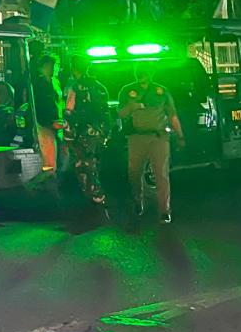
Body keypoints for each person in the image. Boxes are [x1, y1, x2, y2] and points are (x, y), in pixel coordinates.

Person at [118, 66, 184, 223]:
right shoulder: (127, 90)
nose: (142, 74)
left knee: (161, 174)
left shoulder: (161, 91)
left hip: (158, 137)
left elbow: (172, 115)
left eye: (145, 71)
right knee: (134, 172)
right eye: (139, 71)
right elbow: (120, 114)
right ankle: (138, 201)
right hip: (136, 138)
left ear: (151, 73)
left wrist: (180, 135)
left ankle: (164, 210)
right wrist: (131, 106)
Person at [64, 55, 110, 207]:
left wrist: (68, 135)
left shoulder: (75, 87)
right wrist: (105, 133)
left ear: (74, 69)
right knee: (94, 163)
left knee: (83, 165)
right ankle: (95, 194)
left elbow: (69, 111)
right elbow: (106, 112)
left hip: (82, 132)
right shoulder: (100, 87)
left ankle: (96, 195)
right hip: (98, 133)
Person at [31, 55, 64, 173]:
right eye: (51, 66)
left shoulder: (56, 82)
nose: (54, 69)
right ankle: (48, 178)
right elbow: (37, 106)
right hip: (44, 125)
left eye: (55, 66)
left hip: (57, 124)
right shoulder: (38, 84)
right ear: (43, 67)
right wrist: (49, 122)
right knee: (48, 158)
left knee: (59, 156)